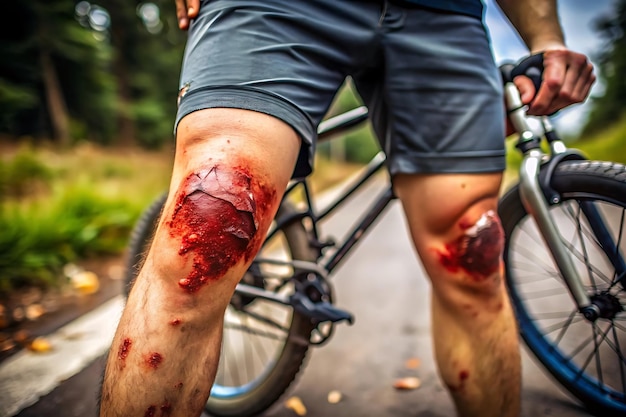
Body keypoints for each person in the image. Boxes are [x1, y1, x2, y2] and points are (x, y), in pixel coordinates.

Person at [100, 0, 595, 416]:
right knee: (204, 237)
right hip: (274, 7)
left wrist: (544, 35)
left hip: (440, 14)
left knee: (472, 253)